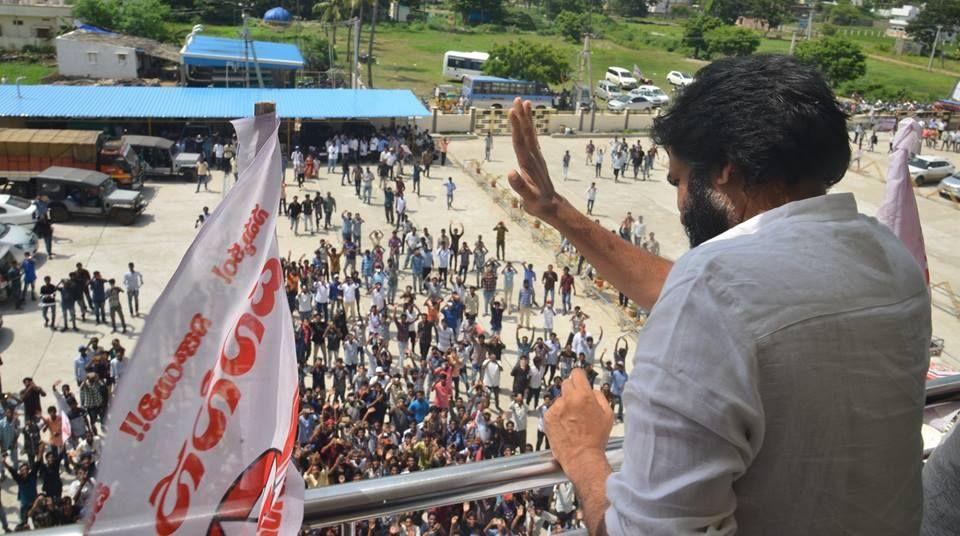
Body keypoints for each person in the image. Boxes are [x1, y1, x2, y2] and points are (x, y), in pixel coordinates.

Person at [505, 55, 929, 535]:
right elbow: (728, 303)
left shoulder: (713, 294)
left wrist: (582, 454)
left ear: (725, 170)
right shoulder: (890, 258)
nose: (680, 200)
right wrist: (555, 209)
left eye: (680, 179)